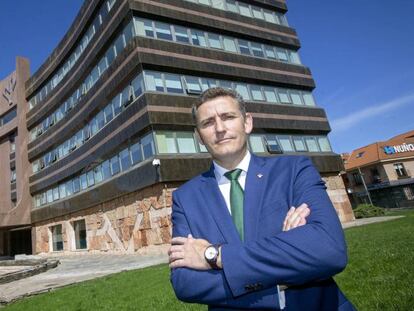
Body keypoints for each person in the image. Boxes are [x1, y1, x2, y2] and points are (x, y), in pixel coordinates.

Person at [168, 87, 355, 310]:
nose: (220, 128)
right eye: (208, 123)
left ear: (247, 122)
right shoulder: (186, 198)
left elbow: (329, 250)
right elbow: (186, 283)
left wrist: (215, 255)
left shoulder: (294, 170)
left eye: (228, 117)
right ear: (199, 136)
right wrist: (285, 271)